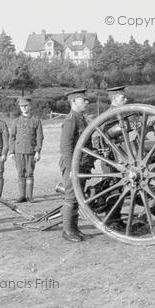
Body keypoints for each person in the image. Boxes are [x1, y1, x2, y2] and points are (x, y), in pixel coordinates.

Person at [59, 89, 95, 242]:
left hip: (82, 164)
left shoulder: (82, 118)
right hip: (73, 165)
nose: (86, 102)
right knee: (71, 197)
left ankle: (75, 229)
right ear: (73, 102)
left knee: (78, 198)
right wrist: (71, 168)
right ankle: (67, 231)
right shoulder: (70, 120)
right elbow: (66, 147)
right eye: (83, 100)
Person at [8, 96, 44, 203]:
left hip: (31, 151)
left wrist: (38, 151)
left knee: (29, 173)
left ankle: (29, 196)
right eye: (22, 106)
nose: (24, 108)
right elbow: (12, 137)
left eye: (26, 106)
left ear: (30, 106)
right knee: (20, 173)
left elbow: (39, 137)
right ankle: (22, 195)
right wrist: (11, 151)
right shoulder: (16, 121)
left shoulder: (36, 120)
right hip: (18, 151)